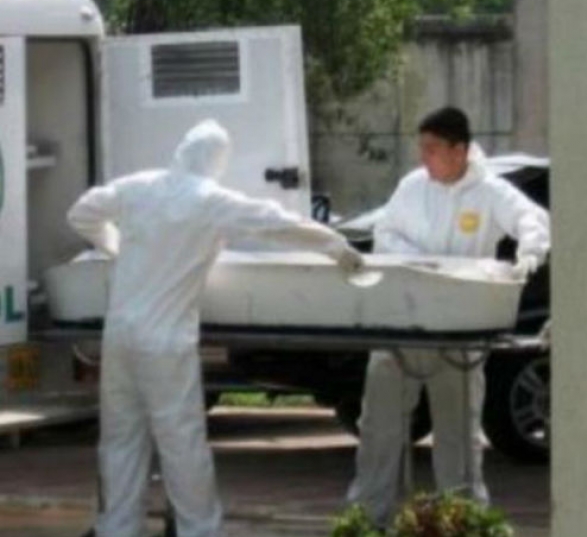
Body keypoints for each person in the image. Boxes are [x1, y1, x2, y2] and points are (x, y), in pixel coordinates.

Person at [67, 119, 365, 537]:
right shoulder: (211, 201)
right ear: (216, 162)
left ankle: (117, 527)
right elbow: (278, 223)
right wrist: (336, 246)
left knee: (120, 439)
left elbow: (81, 213)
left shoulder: (139, 186)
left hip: (119, 336)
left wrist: (113, 245)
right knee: (181, 443)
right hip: (165, 343)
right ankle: (198, 530)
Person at [347, 106, 550, 529]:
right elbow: (385, 234)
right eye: (422, 148)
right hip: (404, 320)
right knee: (379, 428)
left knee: (458, 435)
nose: (425, 157)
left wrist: (528, 257)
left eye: (432, 149)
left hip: (459, 329)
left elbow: (533, 221)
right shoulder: (412, 187)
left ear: (459, 150)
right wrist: (420, 262)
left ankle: (461, 518)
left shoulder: (490, 193)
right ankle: (369, 518)